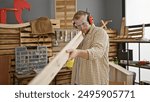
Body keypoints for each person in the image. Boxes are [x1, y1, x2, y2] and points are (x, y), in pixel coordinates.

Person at [66, 10, 109, 85]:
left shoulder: (100, 32)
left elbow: (97, 52)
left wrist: (78, 52)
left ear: (90, 20)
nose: (82, 27)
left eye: (83, 24)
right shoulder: (81, 36)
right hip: (79, 80)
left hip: (95, 81)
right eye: (78, 25)